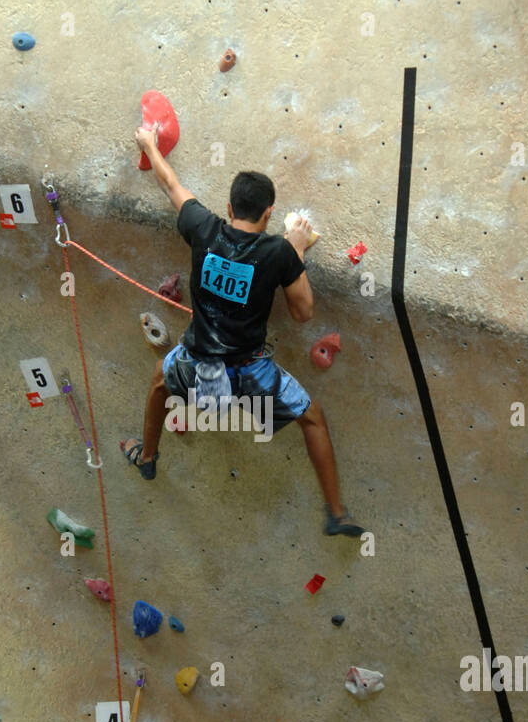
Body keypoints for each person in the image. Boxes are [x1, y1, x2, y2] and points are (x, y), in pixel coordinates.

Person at [121, 122, 363, 537]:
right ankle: (337, 514)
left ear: (230, 208)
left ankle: (147, 457)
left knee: (161, 380)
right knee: (313, 419)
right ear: (269, 214)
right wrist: (298, 248)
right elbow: (303, 313)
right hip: (249, 376)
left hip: (197, 367)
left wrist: (149, 144)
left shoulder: (204, 228)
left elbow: (170, 184)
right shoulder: (278, 252)